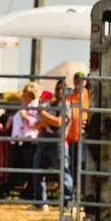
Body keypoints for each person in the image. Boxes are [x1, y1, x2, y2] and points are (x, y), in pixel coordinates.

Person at [32, 80, 74, 211]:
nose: (60, 92)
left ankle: (68, 203)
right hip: (43, 142)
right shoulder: (49, 104)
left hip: (58, 144)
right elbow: (37, 124)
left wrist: (43, 115)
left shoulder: (66, 105)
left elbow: (59, 122)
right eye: (58, 89)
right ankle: (40, 202)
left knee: (63, 173)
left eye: (62, 89)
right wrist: (44, 119)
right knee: (37, 171)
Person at [3, 81, 40, 199]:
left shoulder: (37, 106)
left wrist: (26, 117)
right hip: (19, 139)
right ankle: (8, 190)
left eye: (27, 93)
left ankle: (29, 192)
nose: (24, 95)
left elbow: (38, 124)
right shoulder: (22, 106)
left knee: (28, 167)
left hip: (30, 140)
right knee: (16, 165)